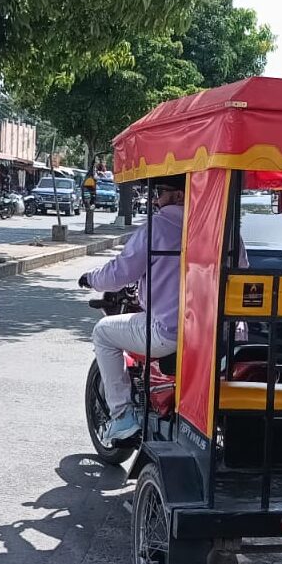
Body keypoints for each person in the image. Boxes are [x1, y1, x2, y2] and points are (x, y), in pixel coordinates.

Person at [78, 175, 188, 444]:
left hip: (171, 331)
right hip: (217, 332)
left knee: (103, 332)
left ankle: (123, 416)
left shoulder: (159, 227)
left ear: (179, 196)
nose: (155, 199)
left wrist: (91, 278)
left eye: (160, 191)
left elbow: (120, 272)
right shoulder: (221, 227)